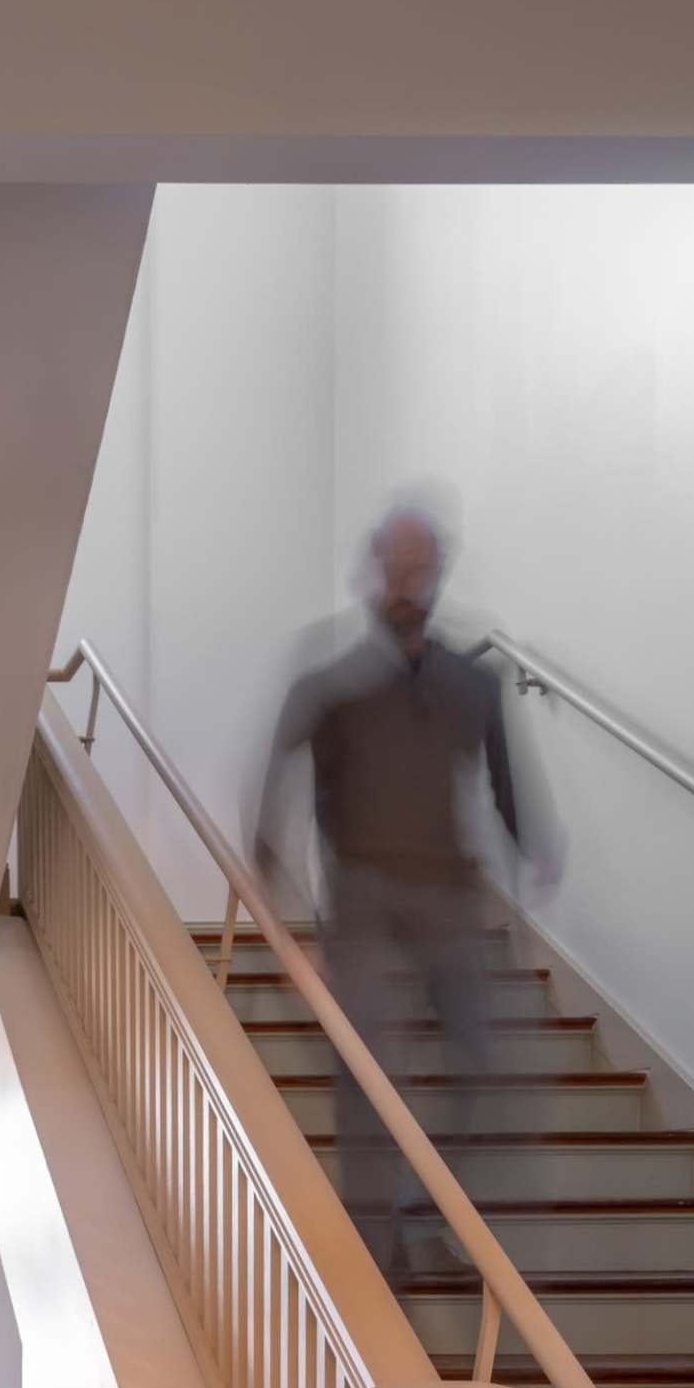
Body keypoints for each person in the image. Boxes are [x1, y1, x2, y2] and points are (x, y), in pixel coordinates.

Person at [259, 497, 556, 1282]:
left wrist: (535, 851)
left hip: (448, 896)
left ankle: (427, 1213)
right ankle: (374, 1250)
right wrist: (292, 924)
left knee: (484, 1064)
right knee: (368, 1071)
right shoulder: (332, 685)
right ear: (374, 567)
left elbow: (504, 783)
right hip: (360, 898)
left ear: (439, 572)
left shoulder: (473, 684)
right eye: (398, 564)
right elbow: (270, 801)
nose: (409, 580)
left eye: (422, 565)